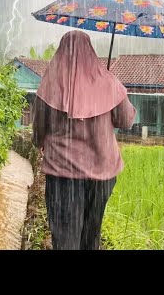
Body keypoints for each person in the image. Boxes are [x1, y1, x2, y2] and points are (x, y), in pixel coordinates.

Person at [32, 30, 136, 250]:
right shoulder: (109, 83)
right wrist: (106, 96)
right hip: (102, 174)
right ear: (90, 51)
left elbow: (39, 129)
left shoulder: (49, 85)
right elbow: (126, 120)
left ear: (61, 52)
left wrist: (40, 142)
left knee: (65, 237)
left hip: (63, 175)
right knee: (91, 232)